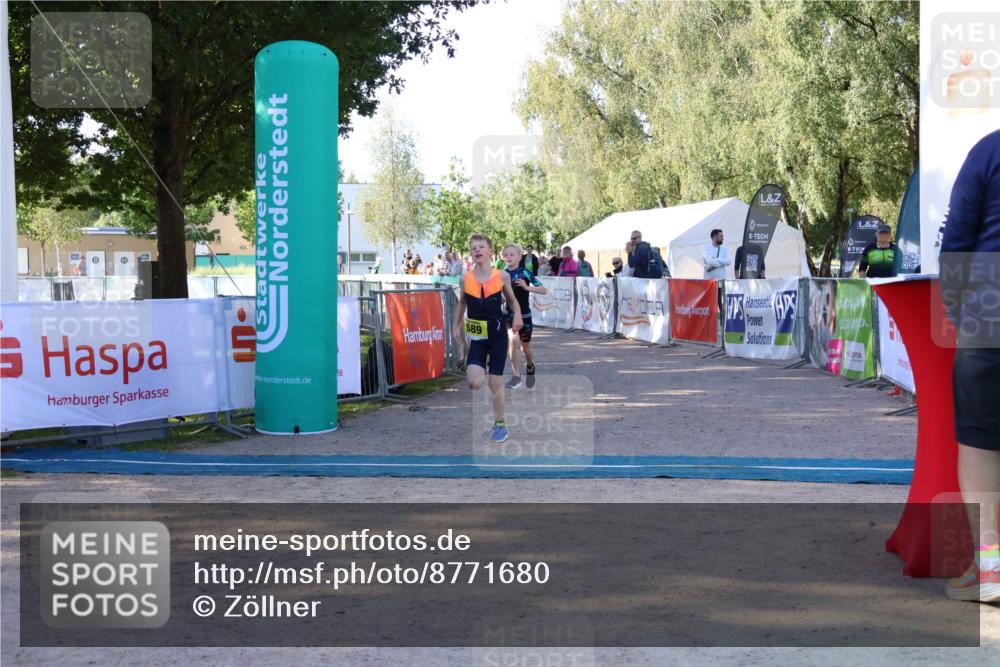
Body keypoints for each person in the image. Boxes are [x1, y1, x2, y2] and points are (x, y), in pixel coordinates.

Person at [939, 129, 1000, 603]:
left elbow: (956, 240)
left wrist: (961, 316)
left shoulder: (988, 149)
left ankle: (991, 569)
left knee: (980, 444)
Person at [453, 234, 523, 443]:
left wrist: (517, 314)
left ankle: (500, 424)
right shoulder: (465, 278)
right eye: (473, 247)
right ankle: (477, 365)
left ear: (490, 252)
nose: (477, 250)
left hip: (498, 333)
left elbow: (512, 300)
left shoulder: (501, 276)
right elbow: (461, 304)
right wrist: (455, 326)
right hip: (478, 336)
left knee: (495, 382)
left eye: (481, 247)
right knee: (475, 382)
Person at [501, 243, 547, 389]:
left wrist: (527, 287)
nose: (508, 257)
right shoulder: (502, 274)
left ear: (519, 256)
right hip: (509, 315)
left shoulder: (525, 273)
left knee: (525, 348)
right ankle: (516, 377)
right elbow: (503, 294)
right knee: (512, 340)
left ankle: (530, 366)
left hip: (525, 316)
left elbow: (543, 289)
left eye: (511, 254)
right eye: (505, 255)